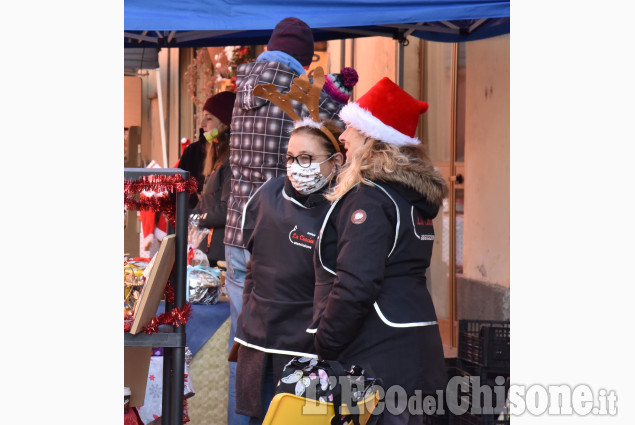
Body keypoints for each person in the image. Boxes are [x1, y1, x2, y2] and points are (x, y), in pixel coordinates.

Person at [223, 17, 346, 425]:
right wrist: (336, 93)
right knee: (293, 345)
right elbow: (333, 131)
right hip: (287, 231)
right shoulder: (298, 95)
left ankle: (244, 416)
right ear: (303, 58)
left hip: (238, 233)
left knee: (245, 343)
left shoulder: (243, 89)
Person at [309, 77, 449, 425]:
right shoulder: (406, 195)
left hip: (379, 355)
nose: (342, 136)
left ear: (371, 137)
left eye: (350, 128)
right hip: (419, 349)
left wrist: (325, 342)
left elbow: (356, 284)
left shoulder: (370, 198)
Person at [233, 119, 345, 424]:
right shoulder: (267, 195)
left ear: (336, 162)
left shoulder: (344, 207)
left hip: (308, 344)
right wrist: (248, 315)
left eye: (306, 158)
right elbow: (252, 266)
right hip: (259, 336)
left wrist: (325, 338)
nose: (296, 167)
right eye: (290, 158)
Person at [190, 91, 236, 267]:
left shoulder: (231, 161)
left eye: (208, 118)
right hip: (209, 251)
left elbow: (228, 209)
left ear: (225, 122)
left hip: (221, 256)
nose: (202, 124)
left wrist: (196, 218)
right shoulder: (219, 158)